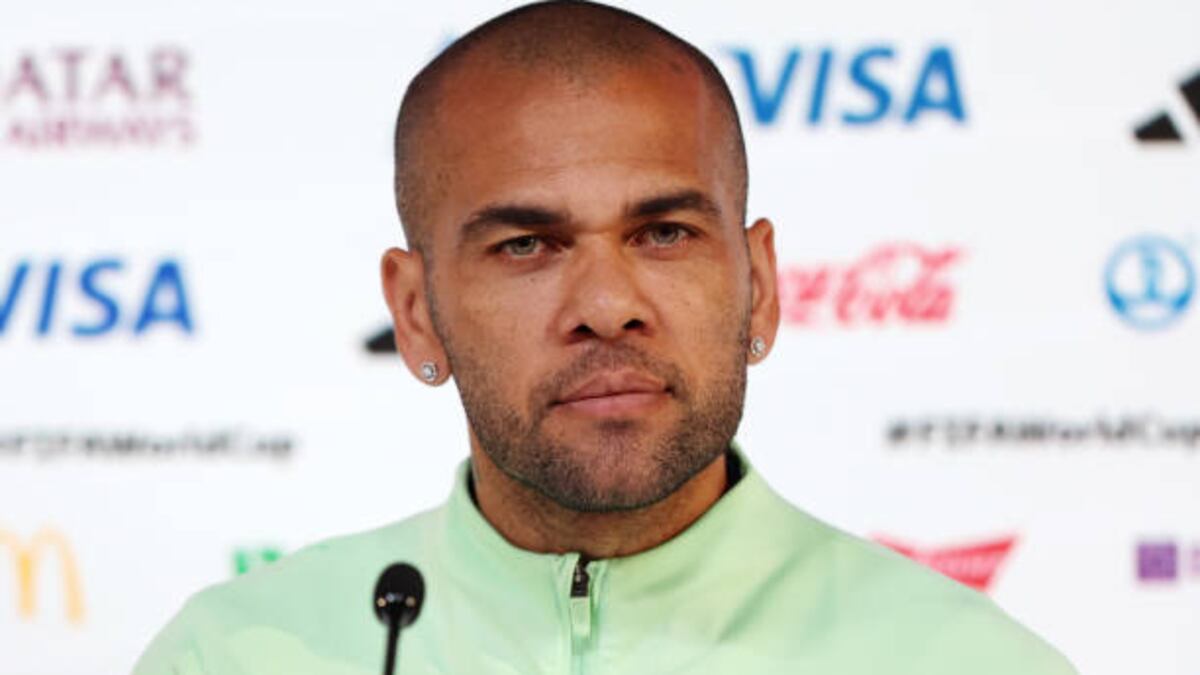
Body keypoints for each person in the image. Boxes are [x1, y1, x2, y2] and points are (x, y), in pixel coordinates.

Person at [134, 2, 1078, 673]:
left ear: (758, 285)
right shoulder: (235, 655)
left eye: (664, 233)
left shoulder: (965, 661)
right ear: (416, 310)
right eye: (527, 245)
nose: (606, 304)